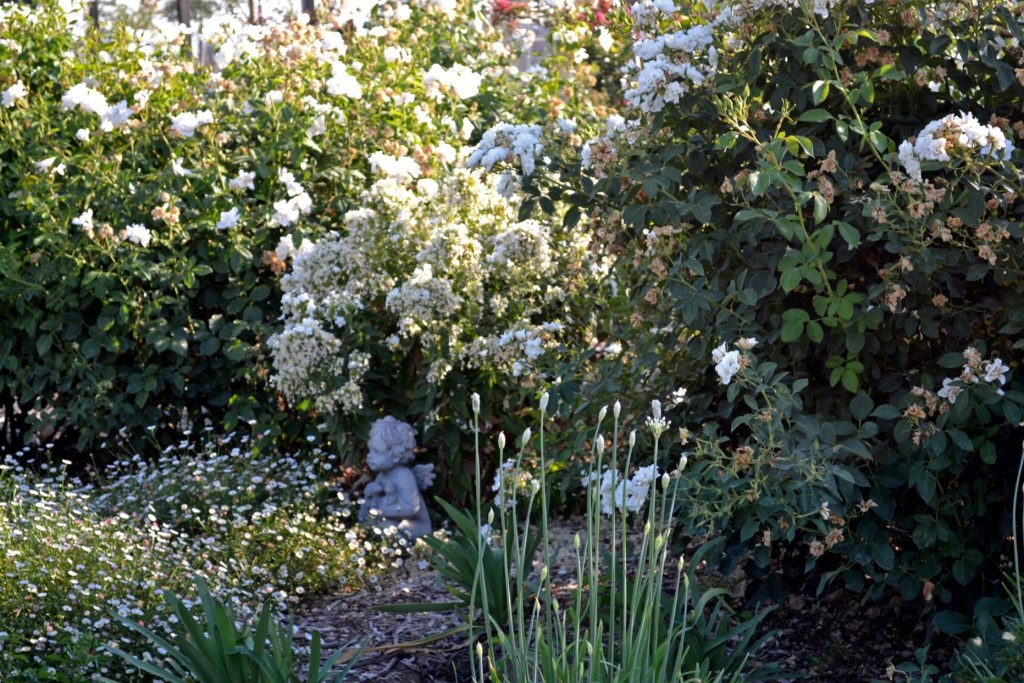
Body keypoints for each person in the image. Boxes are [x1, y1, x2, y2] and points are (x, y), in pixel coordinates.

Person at [358, 416, 434, 539]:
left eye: (376, 452)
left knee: (386, 526)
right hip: (393, 519)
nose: (369, 456)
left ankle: (395, 548)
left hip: (417, 525)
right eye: (370, 450)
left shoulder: (404, 476)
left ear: (395, 456)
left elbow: (412, 508)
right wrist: (371, 494)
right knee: (368, 521)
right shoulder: (383, 473)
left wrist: (384, 511)